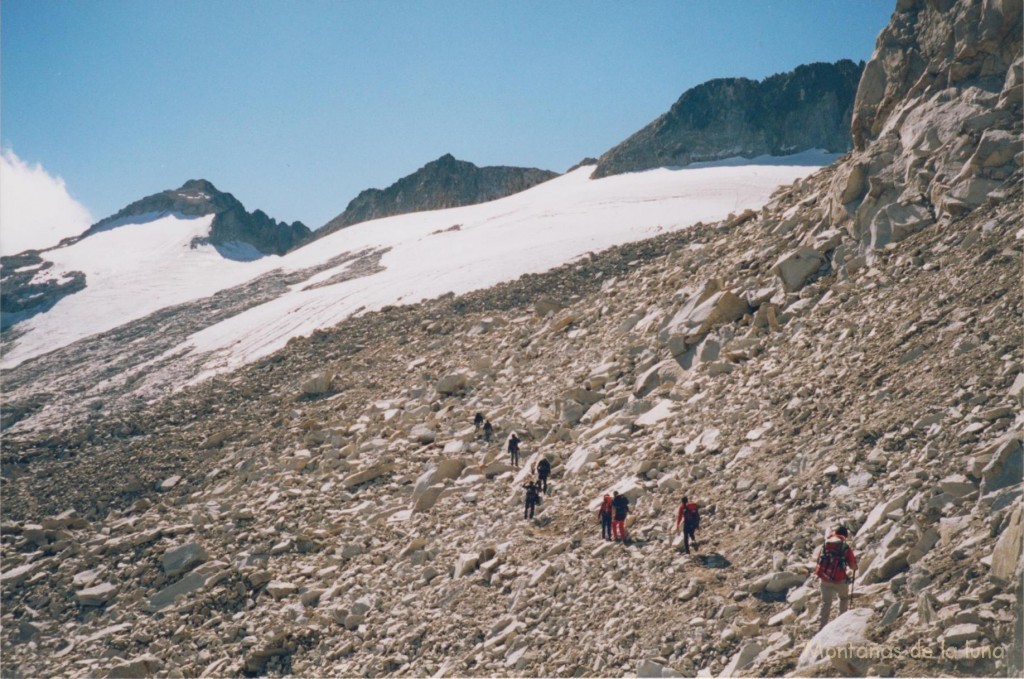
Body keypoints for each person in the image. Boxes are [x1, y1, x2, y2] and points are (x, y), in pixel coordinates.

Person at [814, 525, 858, 630]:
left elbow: (818, 561)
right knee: (843, 598)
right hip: (839, 579)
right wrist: (855, 567)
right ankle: (841, 624)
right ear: (844, 536)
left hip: (825, 579)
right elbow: (852, 566)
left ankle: (821, 627)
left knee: (825, 603)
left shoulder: (826, 544)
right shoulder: (844, 547)